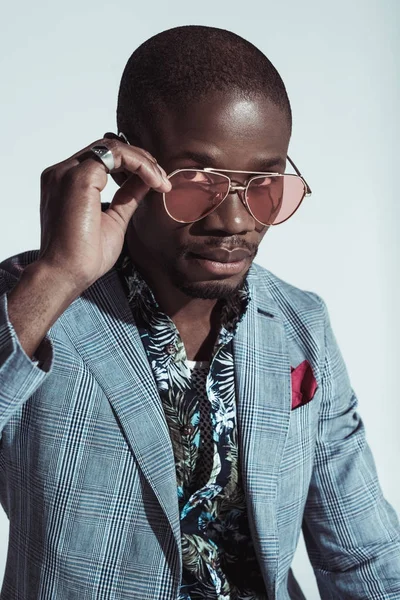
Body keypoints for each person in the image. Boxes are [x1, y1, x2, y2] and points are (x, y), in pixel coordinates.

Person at [0, 25, 399, 600]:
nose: (235, 222)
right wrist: (59, 275)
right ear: (132, 165)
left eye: (263, 184)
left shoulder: (299, 325)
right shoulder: (35, 306)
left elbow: (364, 557)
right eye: (195, 182)